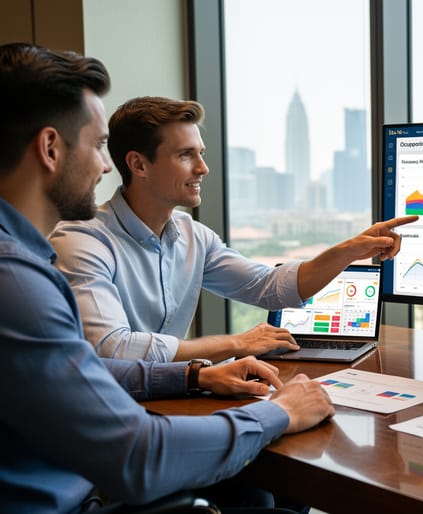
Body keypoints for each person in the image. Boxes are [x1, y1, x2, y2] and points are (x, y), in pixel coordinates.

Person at [0, 42, 336, 513]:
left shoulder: (23, 264)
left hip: (83, 476)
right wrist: (278, 412)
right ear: (51, 148)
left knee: (259, 497)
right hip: (77, 497)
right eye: (98, 146)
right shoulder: (16, 281)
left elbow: (84, 369)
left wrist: (196, 376)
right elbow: (139, 457)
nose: (103, 165)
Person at [49, 96, 417, 363]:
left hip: (169, 396)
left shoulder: (194, 237)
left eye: (201, 152)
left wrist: (350, 249)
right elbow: (112, 348)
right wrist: (236, 344)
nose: (202, 168)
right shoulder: (84, 239)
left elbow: (270, 288)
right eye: (185, 155)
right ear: (138, 164)